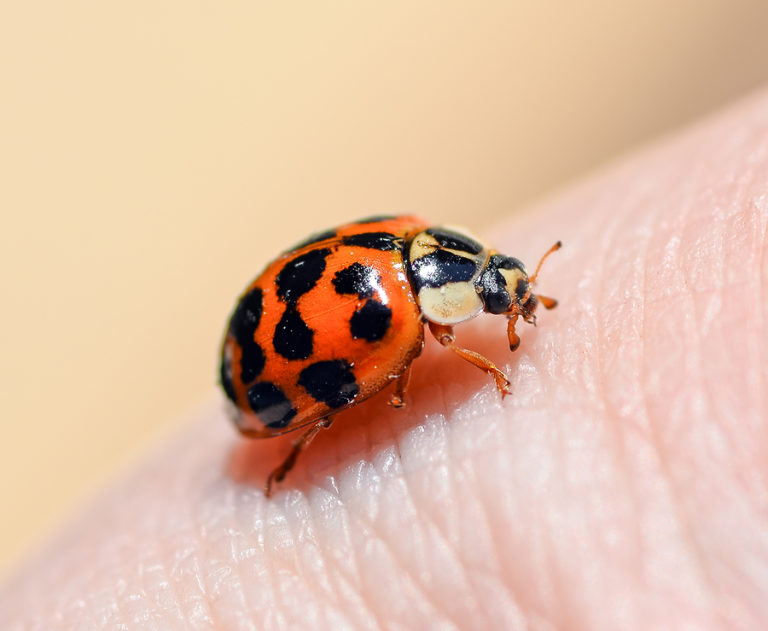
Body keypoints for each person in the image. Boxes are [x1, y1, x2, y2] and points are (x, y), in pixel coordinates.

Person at [2, 89, 767, 630]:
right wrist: (489, 367)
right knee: (375, 380)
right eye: (496, 292)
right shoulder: (406, 314)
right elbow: (414, 359)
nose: (499, 302)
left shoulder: (412, 245)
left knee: (396, 375)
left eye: (497, 287)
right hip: (261, 380)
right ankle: (300, 438)